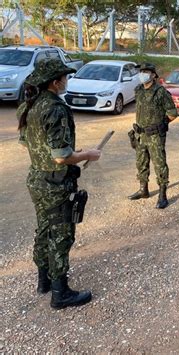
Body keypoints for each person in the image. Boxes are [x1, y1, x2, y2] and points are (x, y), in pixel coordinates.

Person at [17, 58, 101, 309]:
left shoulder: (29, 105)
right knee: (61, 236)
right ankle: (60, 293)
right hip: (55, 184)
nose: (66, 80)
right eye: (64, 77)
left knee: (44, 230)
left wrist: (66, 153)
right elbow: (61, 156)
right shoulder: (55, 108)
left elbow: (28, 144)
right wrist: (87, 155)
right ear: (55, 82)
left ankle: (43, 281)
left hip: (37, 179)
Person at [128, 63, 178, 208]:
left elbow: (172, 113)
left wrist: (162, 124)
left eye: (146, 71)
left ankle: (163, 194)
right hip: (140, 134)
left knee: (159, 164)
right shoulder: (138, 90)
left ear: (154, 75)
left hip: (155, 135)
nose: (142, 74)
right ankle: (143, 189)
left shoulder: (160, 92)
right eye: (141, 71)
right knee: (141, 162)